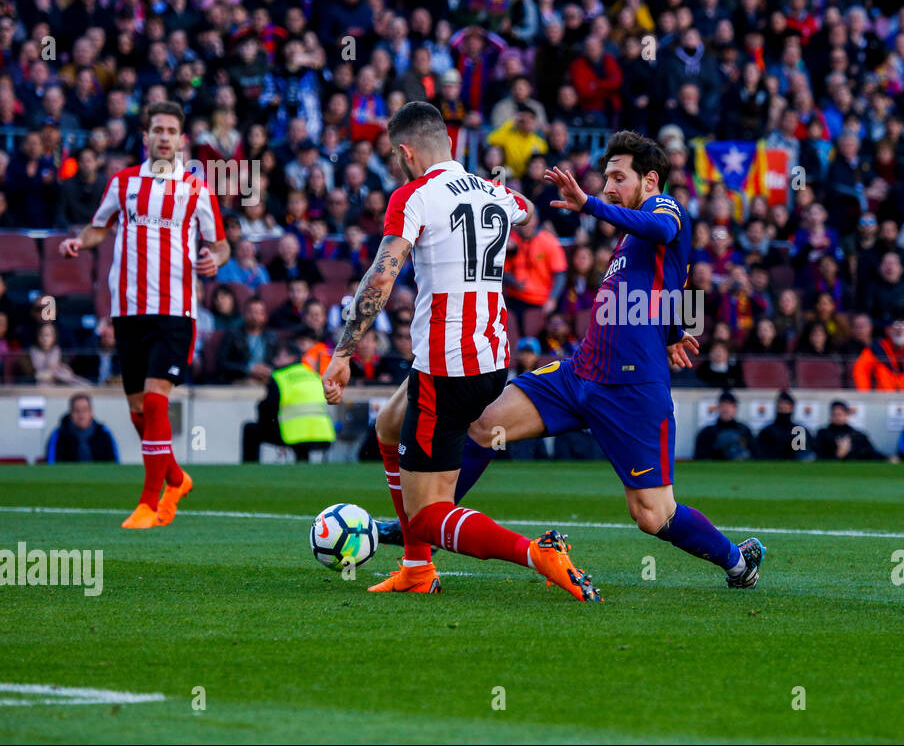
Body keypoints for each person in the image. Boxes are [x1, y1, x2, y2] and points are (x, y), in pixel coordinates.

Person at [410, 131, 765, 590]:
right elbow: (659, 288)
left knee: (653, 515)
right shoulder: (629, 241)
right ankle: (429, 527)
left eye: (618, 177)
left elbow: (663, 231)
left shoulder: (664, 208)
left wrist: (589, 205)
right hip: (579, 374)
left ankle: (738, 561)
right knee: (484, 425)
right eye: (605, 179)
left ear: (650, 179)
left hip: (631, 390)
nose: (608, 186)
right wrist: (674, 331)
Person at [320, 102, 598, 601]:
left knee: (429, 515)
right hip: (491, 359)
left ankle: (537, 554)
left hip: (445, 368)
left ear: (407, 152)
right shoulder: (493, 191)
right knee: (387, 424)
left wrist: (344, 350)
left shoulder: (413, 197)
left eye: (394, 156)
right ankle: (414, 568)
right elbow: (528, 211)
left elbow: (382, 275)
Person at [58, 100, 229, 529]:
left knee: (155, 401)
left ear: (181, 139)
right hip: (128, 309)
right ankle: (175, 479)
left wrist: (216, 260)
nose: (165, 137)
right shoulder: (123, 183)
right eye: (158, 130)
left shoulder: (197, 189)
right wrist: (79, 242)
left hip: (176, 311)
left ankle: (149, 503)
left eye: (172, 130)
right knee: (138, 411)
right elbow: (99, 226)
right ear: (146, 136)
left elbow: (221, 243)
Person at [242, 342, 336, 462]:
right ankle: (303, 466)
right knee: (300, 432)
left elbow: (268, 411)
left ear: (292, 358)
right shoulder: (315, 376)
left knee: (251, 429)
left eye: (278, 357)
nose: (274, 360)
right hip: (323, 436)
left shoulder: (279, 377)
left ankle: (250, 470)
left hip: (294, 436)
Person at [46, 393, 119, 463]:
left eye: (85, 410)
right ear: (71, 413)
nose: (81, 415)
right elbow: (52, 465)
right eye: (77, 410)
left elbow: (115, 464)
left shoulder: (104, 434)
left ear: (91, 412)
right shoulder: (59, 435)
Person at [693, 391, 755, 460]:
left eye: (729, 405)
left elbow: (755, 457)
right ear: (718, 408)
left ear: (735, 408)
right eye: (723, 405)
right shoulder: (707, 433)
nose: (726, 409)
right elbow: (700, 458)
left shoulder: (744, 430)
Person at [814, 400, 885, 460]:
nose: (837, 418)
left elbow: (871, 453)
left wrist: (887, 458)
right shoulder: (822, 434)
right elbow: (818, 457)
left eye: (840, 414)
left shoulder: (857, 435)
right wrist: (838, 455)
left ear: (846, 415)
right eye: (834, 415)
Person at [757, 390, 814, 460]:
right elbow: (761, 455)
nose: (783, 411)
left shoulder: (800, 432)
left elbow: (806, 454)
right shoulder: (767, 432)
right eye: (781, 408)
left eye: (786, 408)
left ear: (792, 408)